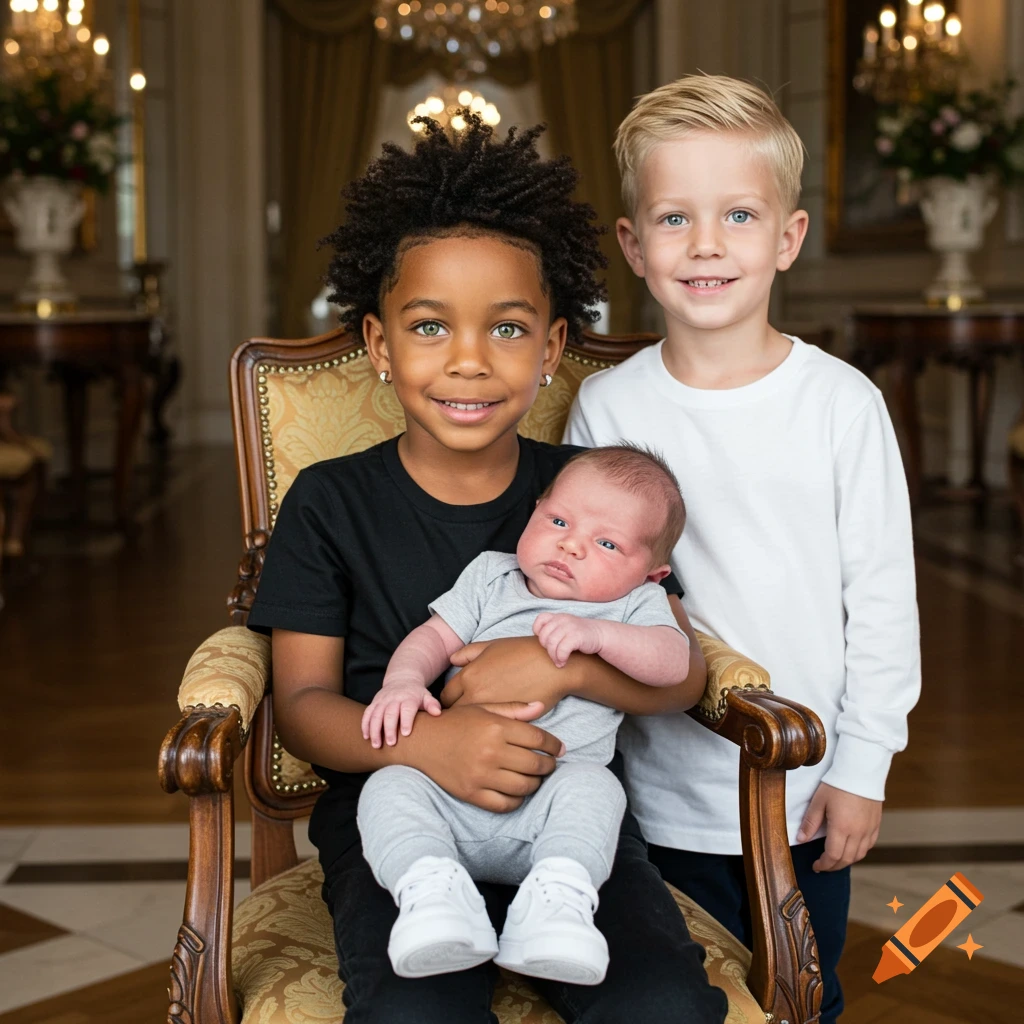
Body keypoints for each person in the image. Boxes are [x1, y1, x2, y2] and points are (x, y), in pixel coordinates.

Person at [247, 113, 728, 1024]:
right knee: (415, 1015)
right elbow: (304, 707)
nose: (467, 361)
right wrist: (428, 743)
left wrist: (564, 668)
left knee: (662, 1007)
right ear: (379, 344)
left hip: (569, 815)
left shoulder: (590, 496)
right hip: (399, 812)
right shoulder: (329, 500)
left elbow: (682, 675)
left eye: (507, 328)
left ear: (551, 348)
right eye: (430, 326)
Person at [558, 74, 921, 1024]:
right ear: (633, 245)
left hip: (806, 787)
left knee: (803, 996)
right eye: (674, 218)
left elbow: (883, 600)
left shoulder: (841, 404)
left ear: (787, 238)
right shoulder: (609, 406)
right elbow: (588, 583)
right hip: (651, 792)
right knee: (678, 999)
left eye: (739, 215)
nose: (706, 244)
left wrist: (864, 768)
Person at [358, 445, 689, 984]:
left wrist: (598, 636)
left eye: (607, 543)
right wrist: (403, 682)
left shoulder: (634, 605)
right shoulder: (492, 576)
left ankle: (557, 905)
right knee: (389, 786)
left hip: (553, 806)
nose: (571, 545)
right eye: (558, 521)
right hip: (449, 791)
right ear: (535, 511)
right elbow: (433, 638)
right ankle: (432, 895)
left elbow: (674, 663)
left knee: (598, 789)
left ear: (652, 574)